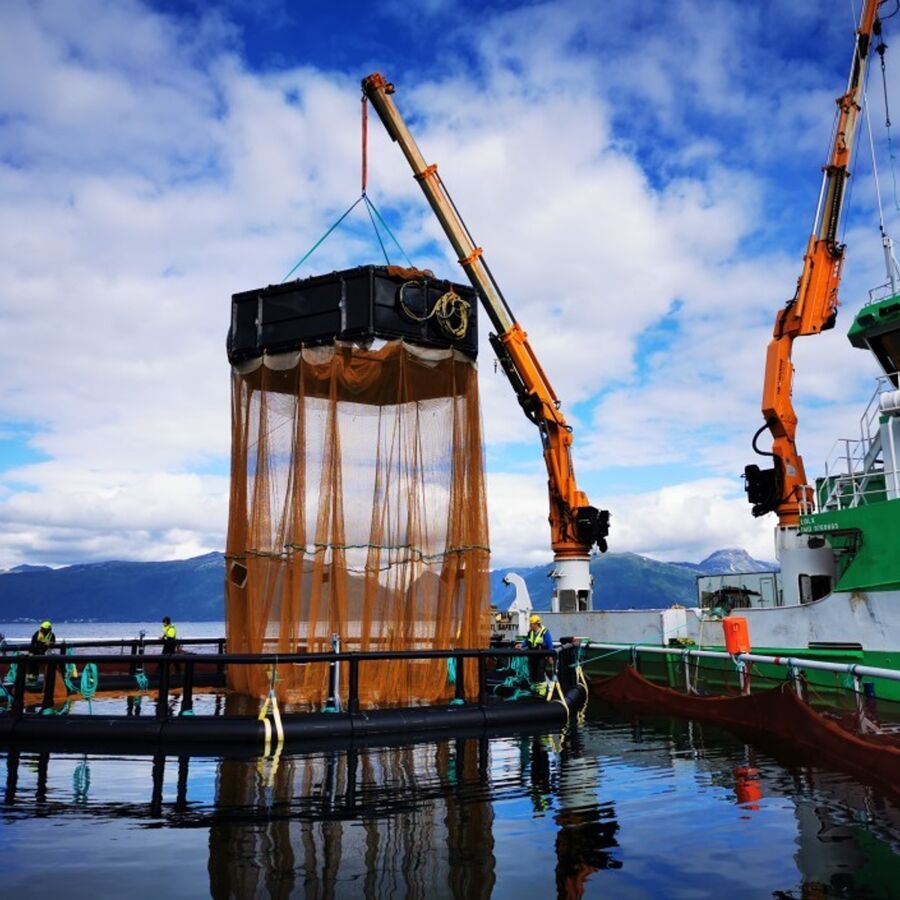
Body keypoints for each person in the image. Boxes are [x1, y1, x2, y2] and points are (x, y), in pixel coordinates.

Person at [519, 614, 554, 690]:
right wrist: (521, 645)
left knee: (540, 674)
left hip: (541, 657)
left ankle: (542, 690)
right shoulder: (530, 632)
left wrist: (550, 656)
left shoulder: (544, 632)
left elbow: (550, 644)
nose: (530, 625)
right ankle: (534, 689)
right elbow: (527, 641)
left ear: (536, 624)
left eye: (531, 624)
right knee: (532, 673)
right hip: (532, 656)